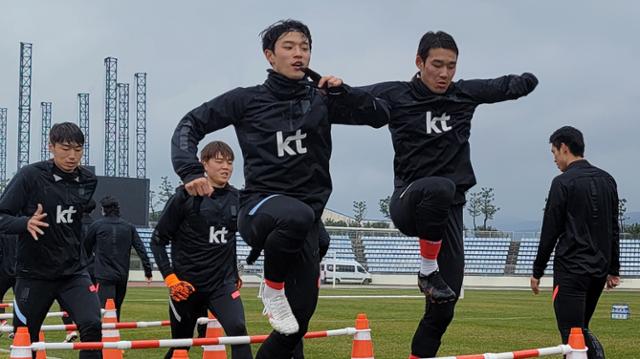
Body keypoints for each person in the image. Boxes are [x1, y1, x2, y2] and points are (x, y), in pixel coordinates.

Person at [170, 19, 388, 358]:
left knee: (293, 330)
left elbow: (380, 115)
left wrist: (348, 93)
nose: (298, 53)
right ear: (269, 55)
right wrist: (188, 168)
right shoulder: (246, 100)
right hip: (260, 209)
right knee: (296, 214)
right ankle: (271, 290)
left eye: (304, 47)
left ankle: (280, 303)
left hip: (305, 225)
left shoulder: (321, 100)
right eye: (289, 47)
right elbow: (190, 123)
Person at [362, 31, 538, 357]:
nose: (444, 74)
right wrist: (328, 88)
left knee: (445, 303)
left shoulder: (462, 95)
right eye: (437, 65)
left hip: (449, 214)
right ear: (419, 62)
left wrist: (526, 81)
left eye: (451, 67)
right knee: (441, 185)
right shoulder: (396, 94)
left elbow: (501, 87)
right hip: (409, 201)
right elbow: (351, 99)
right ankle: (427, 270)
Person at [0, 122, 102, 358]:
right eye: (65, 148)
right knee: (25, 336)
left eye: (78, 149)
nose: (72, 156)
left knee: (92, 326)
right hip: (33, 274)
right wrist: (25, 223)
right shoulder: (30, 176)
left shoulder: (88, 181)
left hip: (73, 272)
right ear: (51, 147)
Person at [151, 140, 251, 359]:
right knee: (181, 346)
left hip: (221, 286)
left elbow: (230, 238)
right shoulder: (183, 197)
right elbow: (157, 240)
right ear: (203, 164)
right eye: (219, 161)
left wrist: (233, 273)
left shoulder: (237, 198)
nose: (226, 167)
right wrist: (171, 279)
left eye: (230, 162)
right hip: (186, 287)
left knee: (238, 331)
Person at [531, 126, 619, 359]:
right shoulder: (608, 180)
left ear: (565, 148)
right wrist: (613, 269)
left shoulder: (562, 182)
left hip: (571, 270)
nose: (554, 159)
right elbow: (613, 228)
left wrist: (537, 270)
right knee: (580, 329)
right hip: (598, 271)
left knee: (571, 336)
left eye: (554, 152)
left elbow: (550, 230)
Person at [84, 196, 153, 320]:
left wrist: (86, 265)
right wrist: (148, 270)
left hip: (103, 274)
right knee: (117, 308)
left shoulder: (97, 225)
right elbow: (140, 249)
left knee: (104, 308)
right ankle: (114, 334)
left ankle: (103, 336)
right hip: (122, 274)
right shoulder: (128, 227)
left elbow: (86, 248)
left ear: (103, 209)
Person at [0, 233, 17, 335]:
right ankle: (18, 326)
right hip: (18, 270)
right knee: (20, 300)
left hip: (3, 270)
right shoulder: (18, 231)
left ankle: (2, 321)